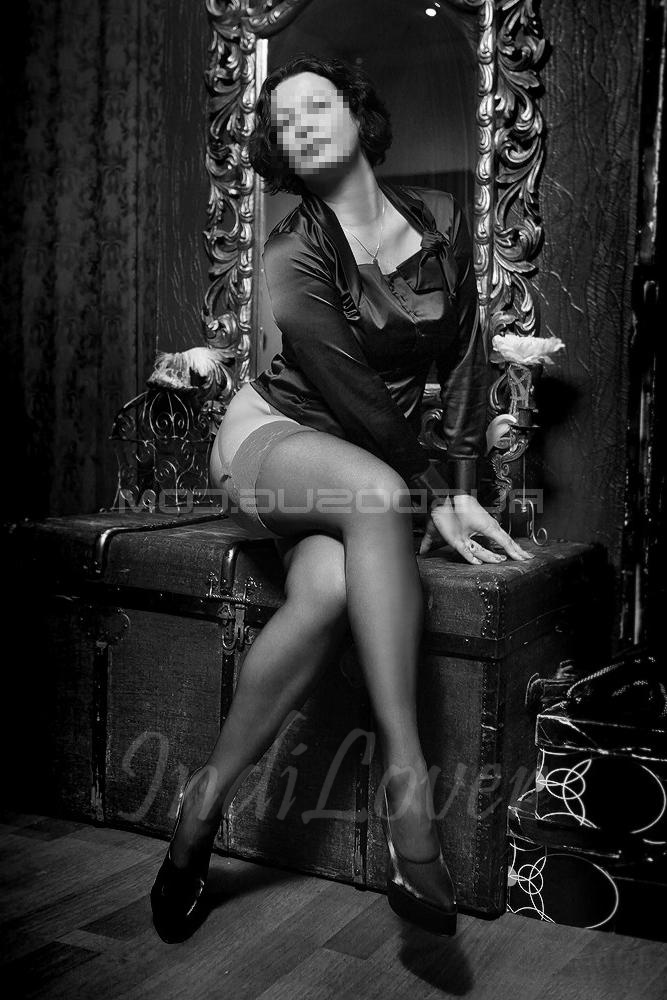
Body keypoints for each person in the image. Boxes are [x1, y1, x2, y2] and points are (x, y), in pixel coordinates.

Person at [151, 53, 534, 943]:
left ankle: (196, 819)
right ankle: (410, 794)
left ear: (358, 116)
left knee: (324, 592)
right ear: (278, 152)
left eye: (316, 106)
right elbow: (352, 396)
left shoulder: (438, 218)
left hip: (364, 471)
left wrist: (460, 483)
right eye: (282, 123)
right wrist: (431, 493)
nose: (301, 126)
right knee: (378, 492)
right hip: (269, 442)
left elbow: (464, 353)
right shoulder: (291, 250)